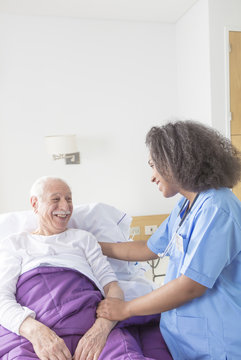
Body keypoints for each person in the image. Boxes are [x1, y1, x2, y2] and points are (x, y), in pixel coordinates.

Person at [97, 120, 241, 360]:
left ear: (176, 161)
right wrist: (94, 246)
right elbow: (149, 248)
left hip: (217, 343)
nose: (152, 177)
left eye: (153, 165)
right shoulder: (187, 205)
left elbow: (192, 285)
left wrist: (126, 309)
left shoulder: (217, 207)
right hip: (184, 340)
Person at [0, 176, 124, 360]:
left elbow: (112, 287)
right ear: (35, 204)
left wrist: (102, 328)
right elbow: (2, 299)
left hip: (89, 325)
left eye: (69, 199)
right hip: (35, 328)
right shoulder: (15, 244)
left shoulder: (84, 239)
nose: (65, 207)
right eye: (56, 199)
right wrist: (36, 332)